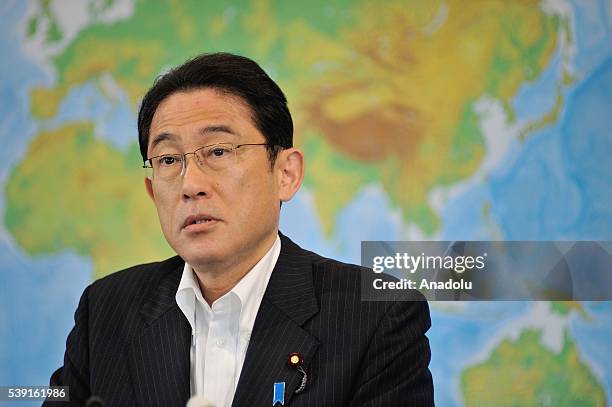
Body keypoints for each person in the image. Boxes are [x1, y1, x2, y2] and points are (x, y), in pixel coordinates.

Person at [45, 52, 434, 407]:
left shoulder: (376, 317)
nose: (190, 184)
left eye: (217, 151)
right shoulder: (106, 311)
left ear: (286, 173)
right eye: (167, 159)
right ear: (151, 190)